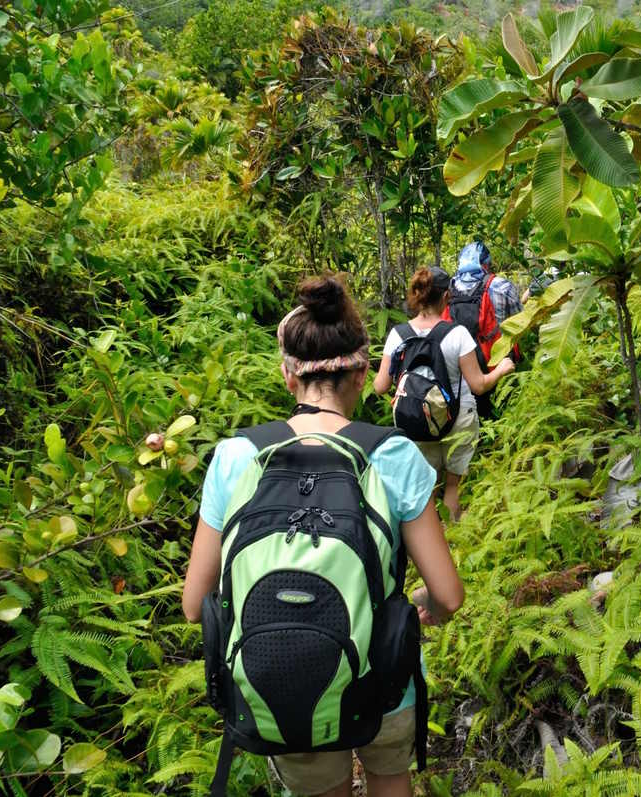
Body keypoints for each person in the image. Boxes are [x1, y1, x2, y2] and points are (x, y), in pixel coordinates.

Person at [181, 273, 464, 797]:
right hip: (385, 680)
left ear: (289, 377)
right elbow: (448, 595)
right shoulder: (392, 454)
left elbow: (196, 605)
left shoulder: (236, 457)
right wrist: (422, 603)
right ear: (360, 374)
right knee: (390, 782)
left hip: (282, 681)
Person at [373, 266, 514, 520]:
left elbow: (380, 386)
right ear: (446, 296)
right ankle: (453, 541)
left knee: (426, 487)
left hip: (415, 420)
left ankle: (426, 541)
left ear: (417, 295)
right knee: (452, 485)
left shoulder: (397, 334)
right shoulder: (457, 334)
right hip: (457, 419)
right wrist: (502, 369)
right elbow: (479, 384)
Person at [445, 241, 523, 360]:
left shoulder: (450, 286)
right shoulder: (502, 286)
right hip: (497, 359)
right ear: (485, 264)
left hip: (459, 359)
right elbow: (521, 322)